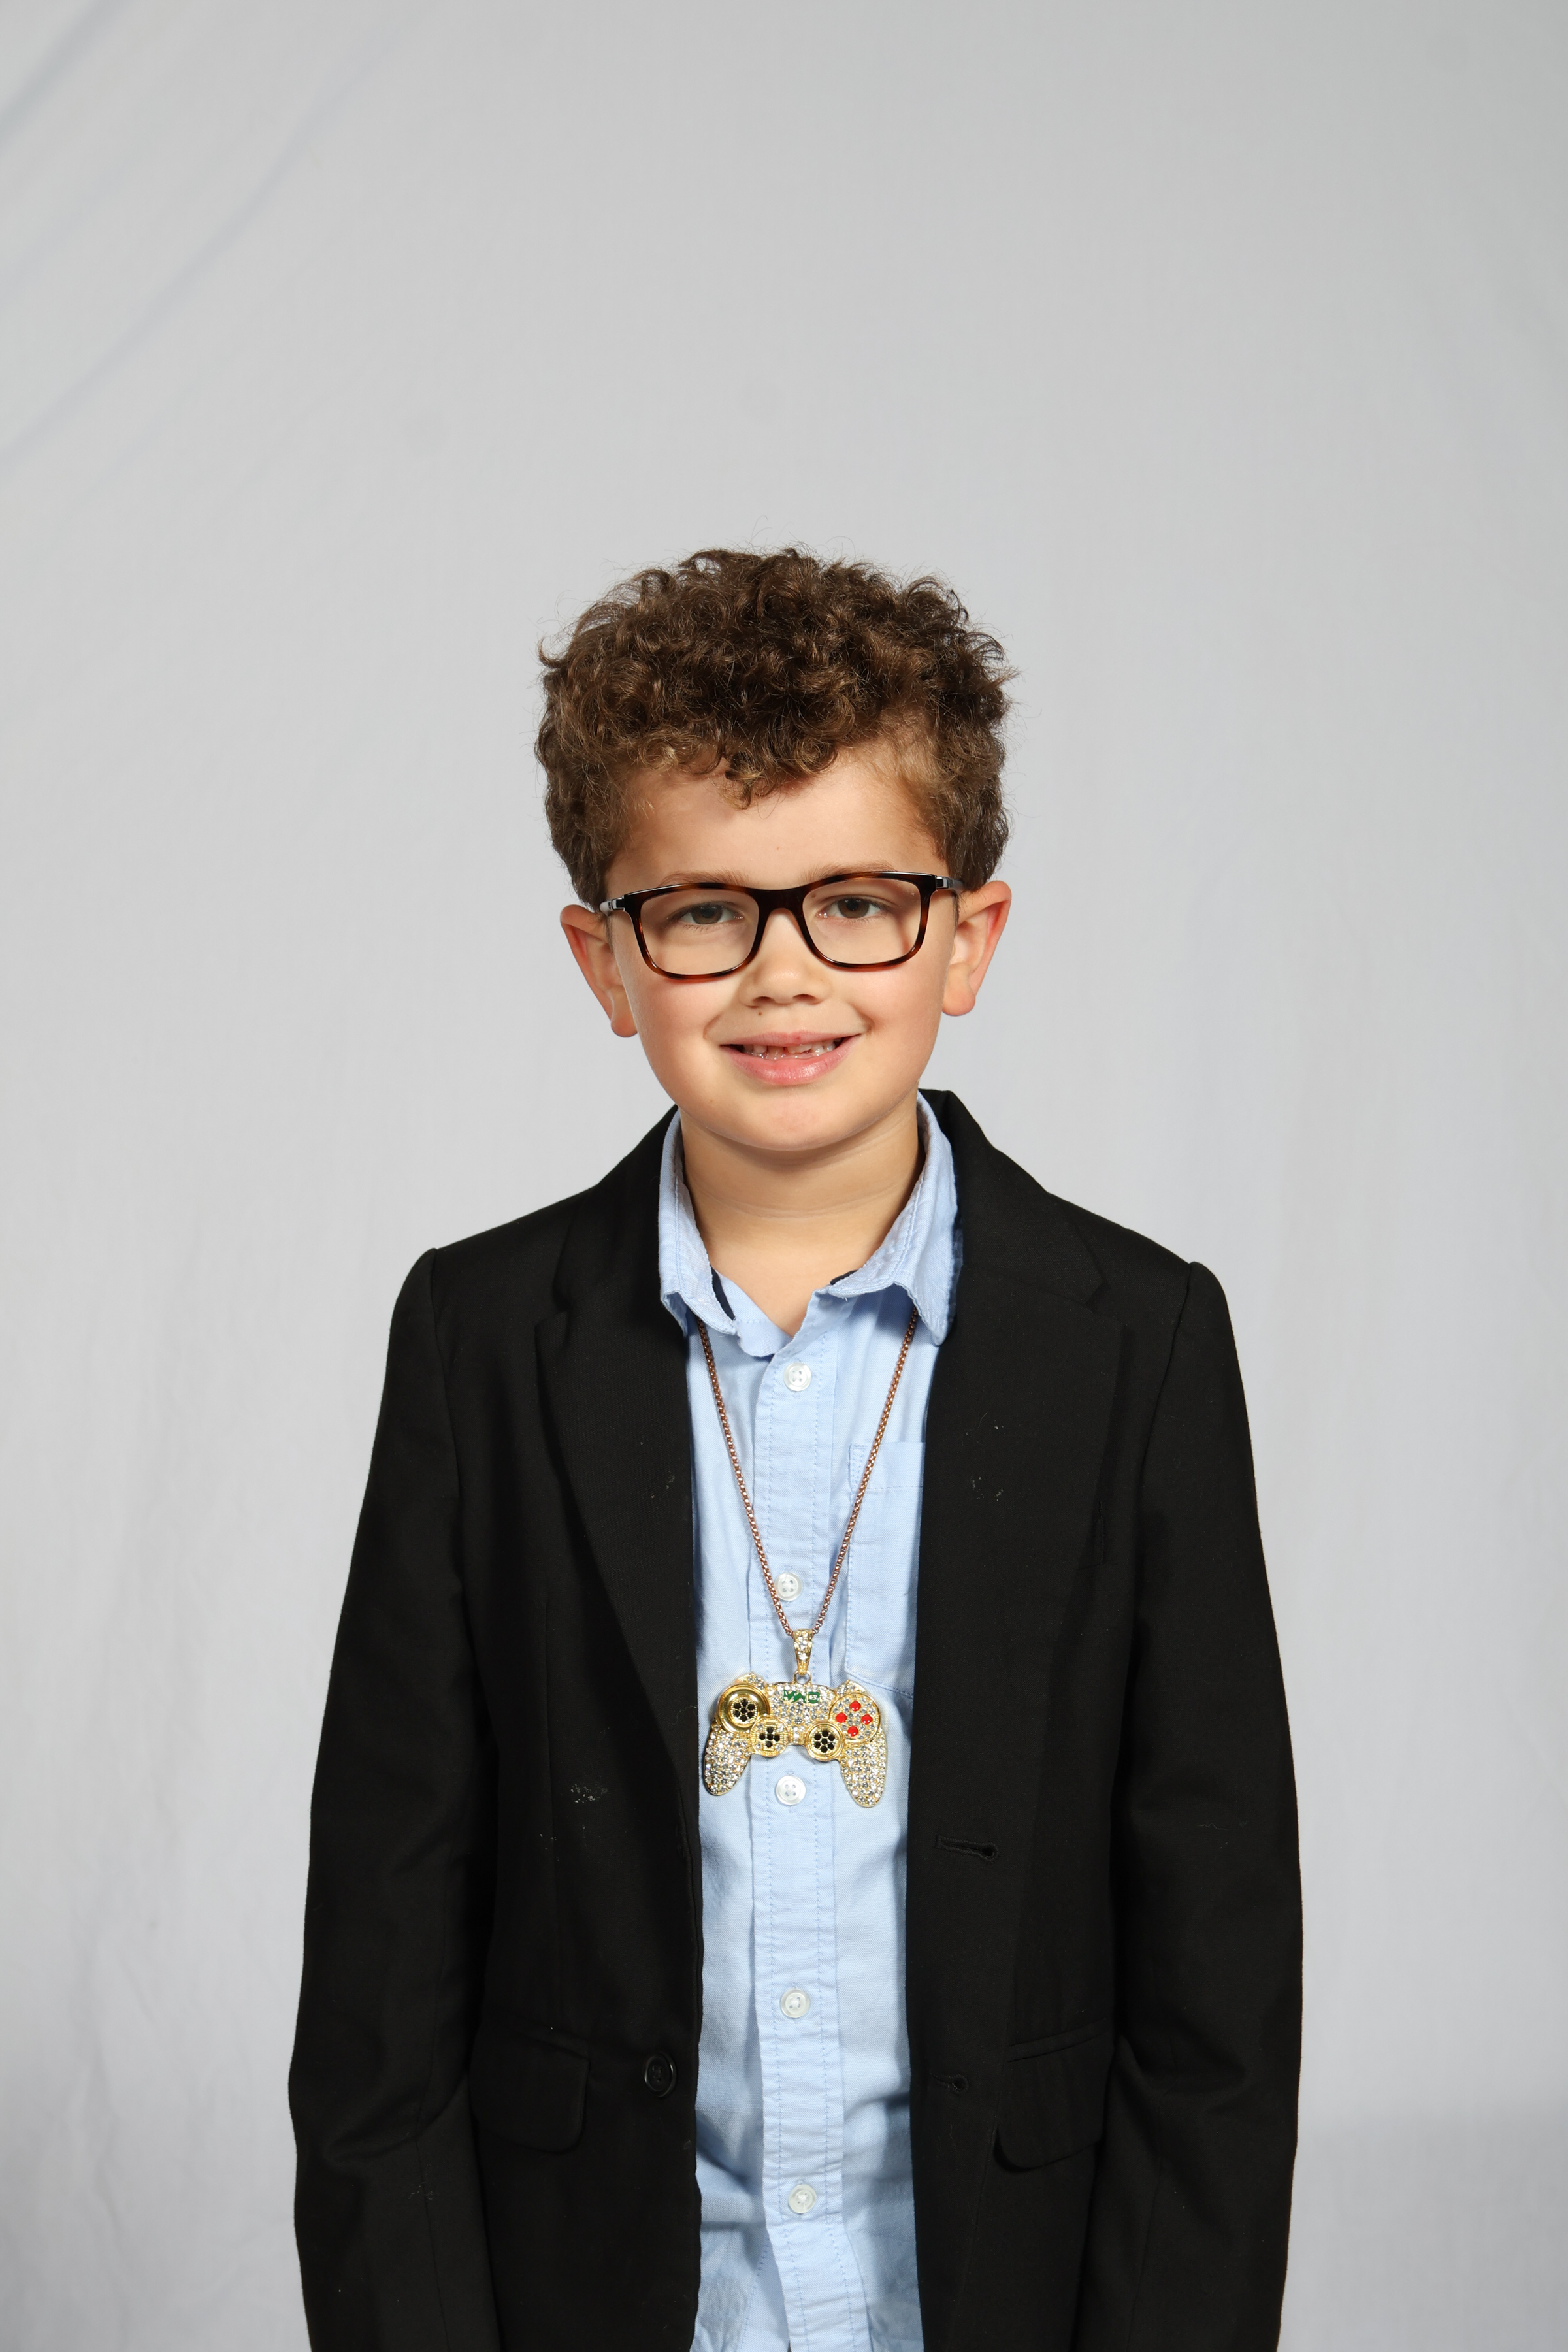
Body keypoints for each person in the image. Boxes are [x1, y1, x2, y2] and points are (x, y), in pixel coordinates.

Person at [289, 548, 1301, 2352]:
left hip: (997, 2298)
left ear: (967, 939)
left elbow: (1216, 1971)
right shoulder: (478, 1337)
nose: (782, 975)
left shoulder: (1136, 1340)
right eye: (702, 912)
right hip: (598, 2298)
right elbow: (383, 1956)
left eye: (855, 904)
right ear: (608, 960)